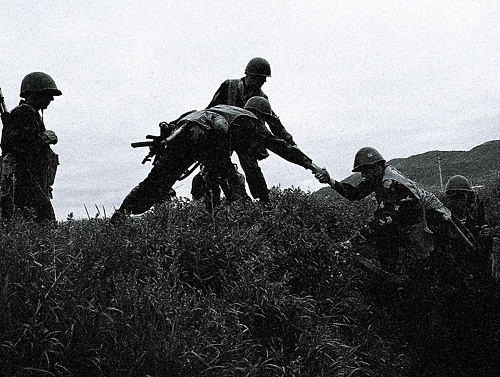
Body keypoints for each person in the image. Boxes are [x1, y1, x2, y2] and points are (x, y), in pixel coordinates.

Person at [314, 147, 453, 374]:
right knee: (393, 249)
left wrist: (352, 243)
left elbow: (383, 219)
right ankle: (402, 285)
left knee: (427, 278)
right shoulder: (378, 177)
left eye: (367, 171)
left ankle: (434, 335)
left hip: (431, 224)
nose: (365, 176)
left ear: (378, 166)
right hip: (408, 224)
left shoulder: (392, 185)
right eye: (362, 172)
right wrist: (330, 180)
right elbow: (354, 193)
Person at [112, 97, 318, 220]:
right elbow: (281, 148)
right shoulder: (250, 120)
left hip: (181, 136)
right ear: (260, 115)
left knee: (154, 184)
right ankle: (250, 220)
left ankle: (120, 216)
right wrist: (310, 164)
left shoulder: (219, 109)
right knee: (232, 180)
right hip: (206, 141)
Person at [429, 174, 497, 376]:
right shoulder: (442, 222)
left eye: (461, 197)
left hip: (478, 290)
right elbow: (439, 257)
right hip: (454, 291)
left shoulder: (477, 222)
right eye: (453, 197)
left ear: (469, 199)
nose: (457, 201)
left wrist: (486, 238)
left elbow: (484, 259)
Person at [205, 57, 296, 203]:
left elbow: (273, 121)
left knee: (252, 169)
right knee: (213, 169)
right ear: (250, 76)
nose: (264, 82)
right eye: (262, 78)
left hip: (244, 139)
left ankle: (264, 202)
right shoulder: (229, 86)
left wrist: (288, 139)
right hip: (222, 134)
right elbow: (211, 109)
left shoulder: (261, 97)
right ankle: (213, 204)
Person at [0, 72, 61, 223]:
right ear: (36, 94)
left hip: (30, 181)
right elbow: (13, 144)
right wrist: (44, 137)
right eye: (48, 94)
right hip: (23, 180)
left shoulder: (31, 114)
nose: (51, 99)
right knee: (45, 223)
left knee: (32, 223)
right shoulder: (23, 113)